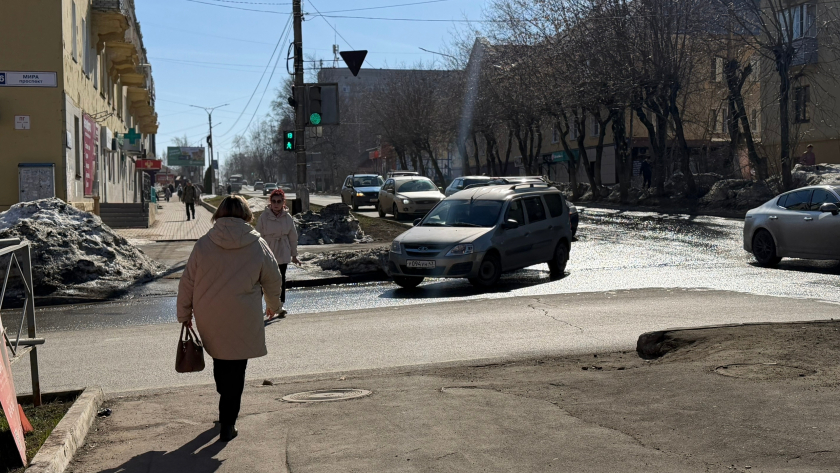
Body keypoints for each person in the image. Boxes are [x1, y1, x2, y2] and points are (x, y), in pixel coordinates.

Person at [177, 196, 283, 442]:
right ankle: (228, 422)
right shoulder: (257, 244)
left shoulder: (204, 244)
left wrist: (184, 314)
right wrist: (273, 305)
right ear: (246, 215)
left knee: (220, 361)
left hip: (209, 315)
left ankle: (225, 406)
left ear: (219, 214)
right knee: (237, 369)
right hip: (244, 315)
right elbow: (273, 278)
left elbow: (187, 283)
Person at [255, 189, 300, 318]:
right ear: (270, 202)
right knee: (263, 280)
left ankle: (279, 306)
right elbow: (258, 235)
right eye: (274, 201)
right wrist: (257, 253)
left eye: (279, 201)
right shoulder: (264, 216)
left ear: (283, 202)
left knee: (280, 280)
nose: (276, 204)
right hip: (268, 251)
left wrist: (294, 255)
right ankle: (259, 307)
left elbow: (293, 237)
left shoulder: (287, 217)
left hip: (282, 250)